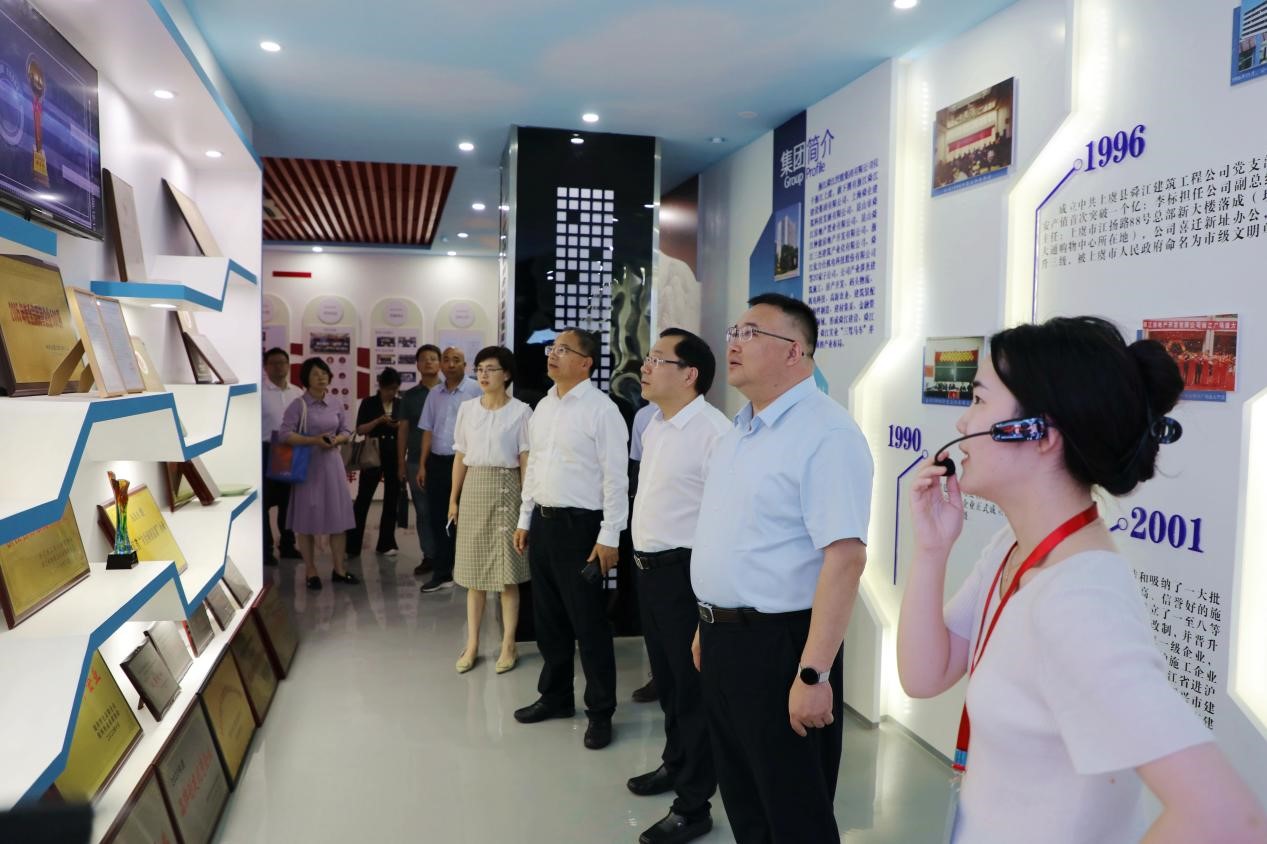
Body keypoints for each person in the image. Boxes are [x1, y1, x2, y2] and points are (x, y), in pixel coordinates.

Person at [897, 316, 1265, 844]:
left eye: (978, 401)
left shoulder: (1078, 602)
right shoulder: (1013, 549)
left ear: (1039, 434)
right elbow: (924, 675)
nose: (962, 423)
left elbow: (1225, 817)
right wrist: (932, 550)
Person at [690, 294, 872, 842]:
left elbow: (846, 558)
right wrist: (707, 621)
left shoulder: (827, 434)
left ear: (795, 351)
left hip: (782, 647)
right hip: (723, 640)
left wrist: (813, 674)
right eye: (734, 331)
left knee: (795, 813)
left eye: (750, 333)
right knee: (745, 803)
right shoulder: (739, 431)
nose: (734, 343)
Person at [627, 329, 729, 844]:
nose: (644, 367)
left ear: (689, 374)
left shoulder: (715, 433)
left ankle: (693, 806)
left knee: (692, 693)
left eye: (657, 359)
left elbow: (724, 524)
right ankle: (675, 763)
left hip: (687, 575)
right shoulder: (655, 424)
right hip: (649, 571)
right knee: (667, 683)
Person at [512, 328, 628, 751]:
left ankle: (600, 711)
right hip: (543, 525)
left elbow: (616, 478)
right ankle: (556, 696)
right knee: (549, 621)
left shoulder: (603, 410)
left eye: (563, 349)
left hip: (582, 529)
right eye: (552, 348)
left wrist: (610, 536)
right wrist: (525, 518)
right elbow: (535, 468)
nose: (553, 354)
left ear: (586, 362)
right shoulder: (543, 406)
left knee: (589, 625)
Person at [449, 346, 532, 674]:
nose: (483, 375)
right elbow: (460, 454)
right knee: (474, 576)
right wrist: (453, 498)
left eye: (491, 369)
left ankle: (509, 643)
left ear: (506, 374)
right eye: (479, 368)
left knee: (508, 574)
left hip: (508, 491)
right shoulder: (467, 409)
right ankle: (472, 644)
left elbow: (525, 459)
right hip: (474, 489)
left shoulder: (522, 411)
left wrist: (527, 505)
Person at [279, 357, 359, 590]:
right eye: (315, 374)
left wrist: (338, 439)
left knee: (338, 519)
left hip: (333, 465)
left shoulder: (335, 402)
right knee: (306, 521)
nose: (321, 377)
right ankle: (311, 571)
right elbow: (285, 434)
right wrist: (313, 440)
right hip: (308, 467)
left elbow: (346, 429)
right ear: (306, 379)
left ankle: (339, 569)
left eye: (324, 373)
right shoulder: (298, 405)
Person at [416, 347, 482, 592]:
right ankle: (443, 573)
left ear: (465, 365)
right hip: (437, 462)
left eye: (456, 360)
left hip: (467, 464)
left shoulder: (476, 390)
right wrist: (422, 465)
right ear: (441, 365)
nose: (451, 364)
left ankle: (469, 573)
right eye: (446, 360)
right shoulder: (434, 394)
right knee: (438, 518)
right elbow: (427, 430)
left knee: (466, 519)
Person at [347, 367, 403, 557]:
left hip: (394, 453)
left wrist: (398, 425)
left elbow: (406, 428)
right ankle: (352, 544)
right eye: (388, 388)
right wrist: (378, 421)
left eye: (395, 389)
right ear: (380, 386)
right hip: (373, 453)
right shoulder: (369, 402)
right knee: (363, 499)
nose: (391, 392)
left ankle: (386, 543)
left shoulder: (400, 404)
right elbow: (360, 429)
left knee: (392, 499)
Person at [399, 344, 442, 576]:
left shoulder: (449, 392)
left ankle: (448, 556)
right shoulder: (410, 396)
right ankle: (429, 556)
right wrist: (401, 462)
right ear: (417, 365)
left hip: (445, 460)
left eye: (433, 358)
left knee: (446, 510)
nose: (428, 362)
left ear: (440, 363)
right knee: (423, 511)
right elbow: (403, 430)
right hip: (416, 461)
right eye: (424, 359)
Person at [629, 401, 660, 705]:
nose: (644, 377)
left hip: (683, 542)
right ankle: (658, 675)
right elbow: (637, 468)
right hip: (646, 530)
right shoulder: (644, 416)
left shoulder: (709, 425)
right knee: (651, 613)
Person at [262, 347, 303, 566]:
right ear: (266, 367)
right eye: (274, 363)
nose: (279, 367)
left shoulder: (297, 392)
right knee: (265, 502)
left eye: (282, 363)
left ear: (288, 365)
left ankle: (287, 545)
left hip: (289, 449)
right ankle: (265, 550)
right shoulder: (260, 392)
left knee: (288, 502)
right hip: (266, 449)